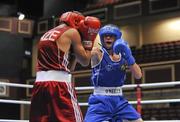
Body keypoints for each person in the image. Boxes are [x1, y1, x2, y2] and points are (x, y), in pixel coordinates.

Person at [29, 11, 101, 122]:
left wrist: (75, 54)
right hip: (59, 85)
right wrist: (90, 47)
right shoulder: (72, 32)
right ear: (77, 23)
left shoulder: (47, 34)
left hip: (39, 86)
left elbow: (69, 68)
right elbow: (85, 61)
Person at [84, 24, 143, 122]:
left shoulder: (123, 54)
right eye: (105, 35)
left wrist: (129, 57)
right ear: (102, 38)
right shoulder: (97, 52)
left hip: (119, 100)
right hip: (100, 100)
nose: (108, 37)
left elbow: (138, 75)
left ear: (117, 38)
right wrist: (86, 36)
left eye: (111, 35)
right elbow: (83, 57)